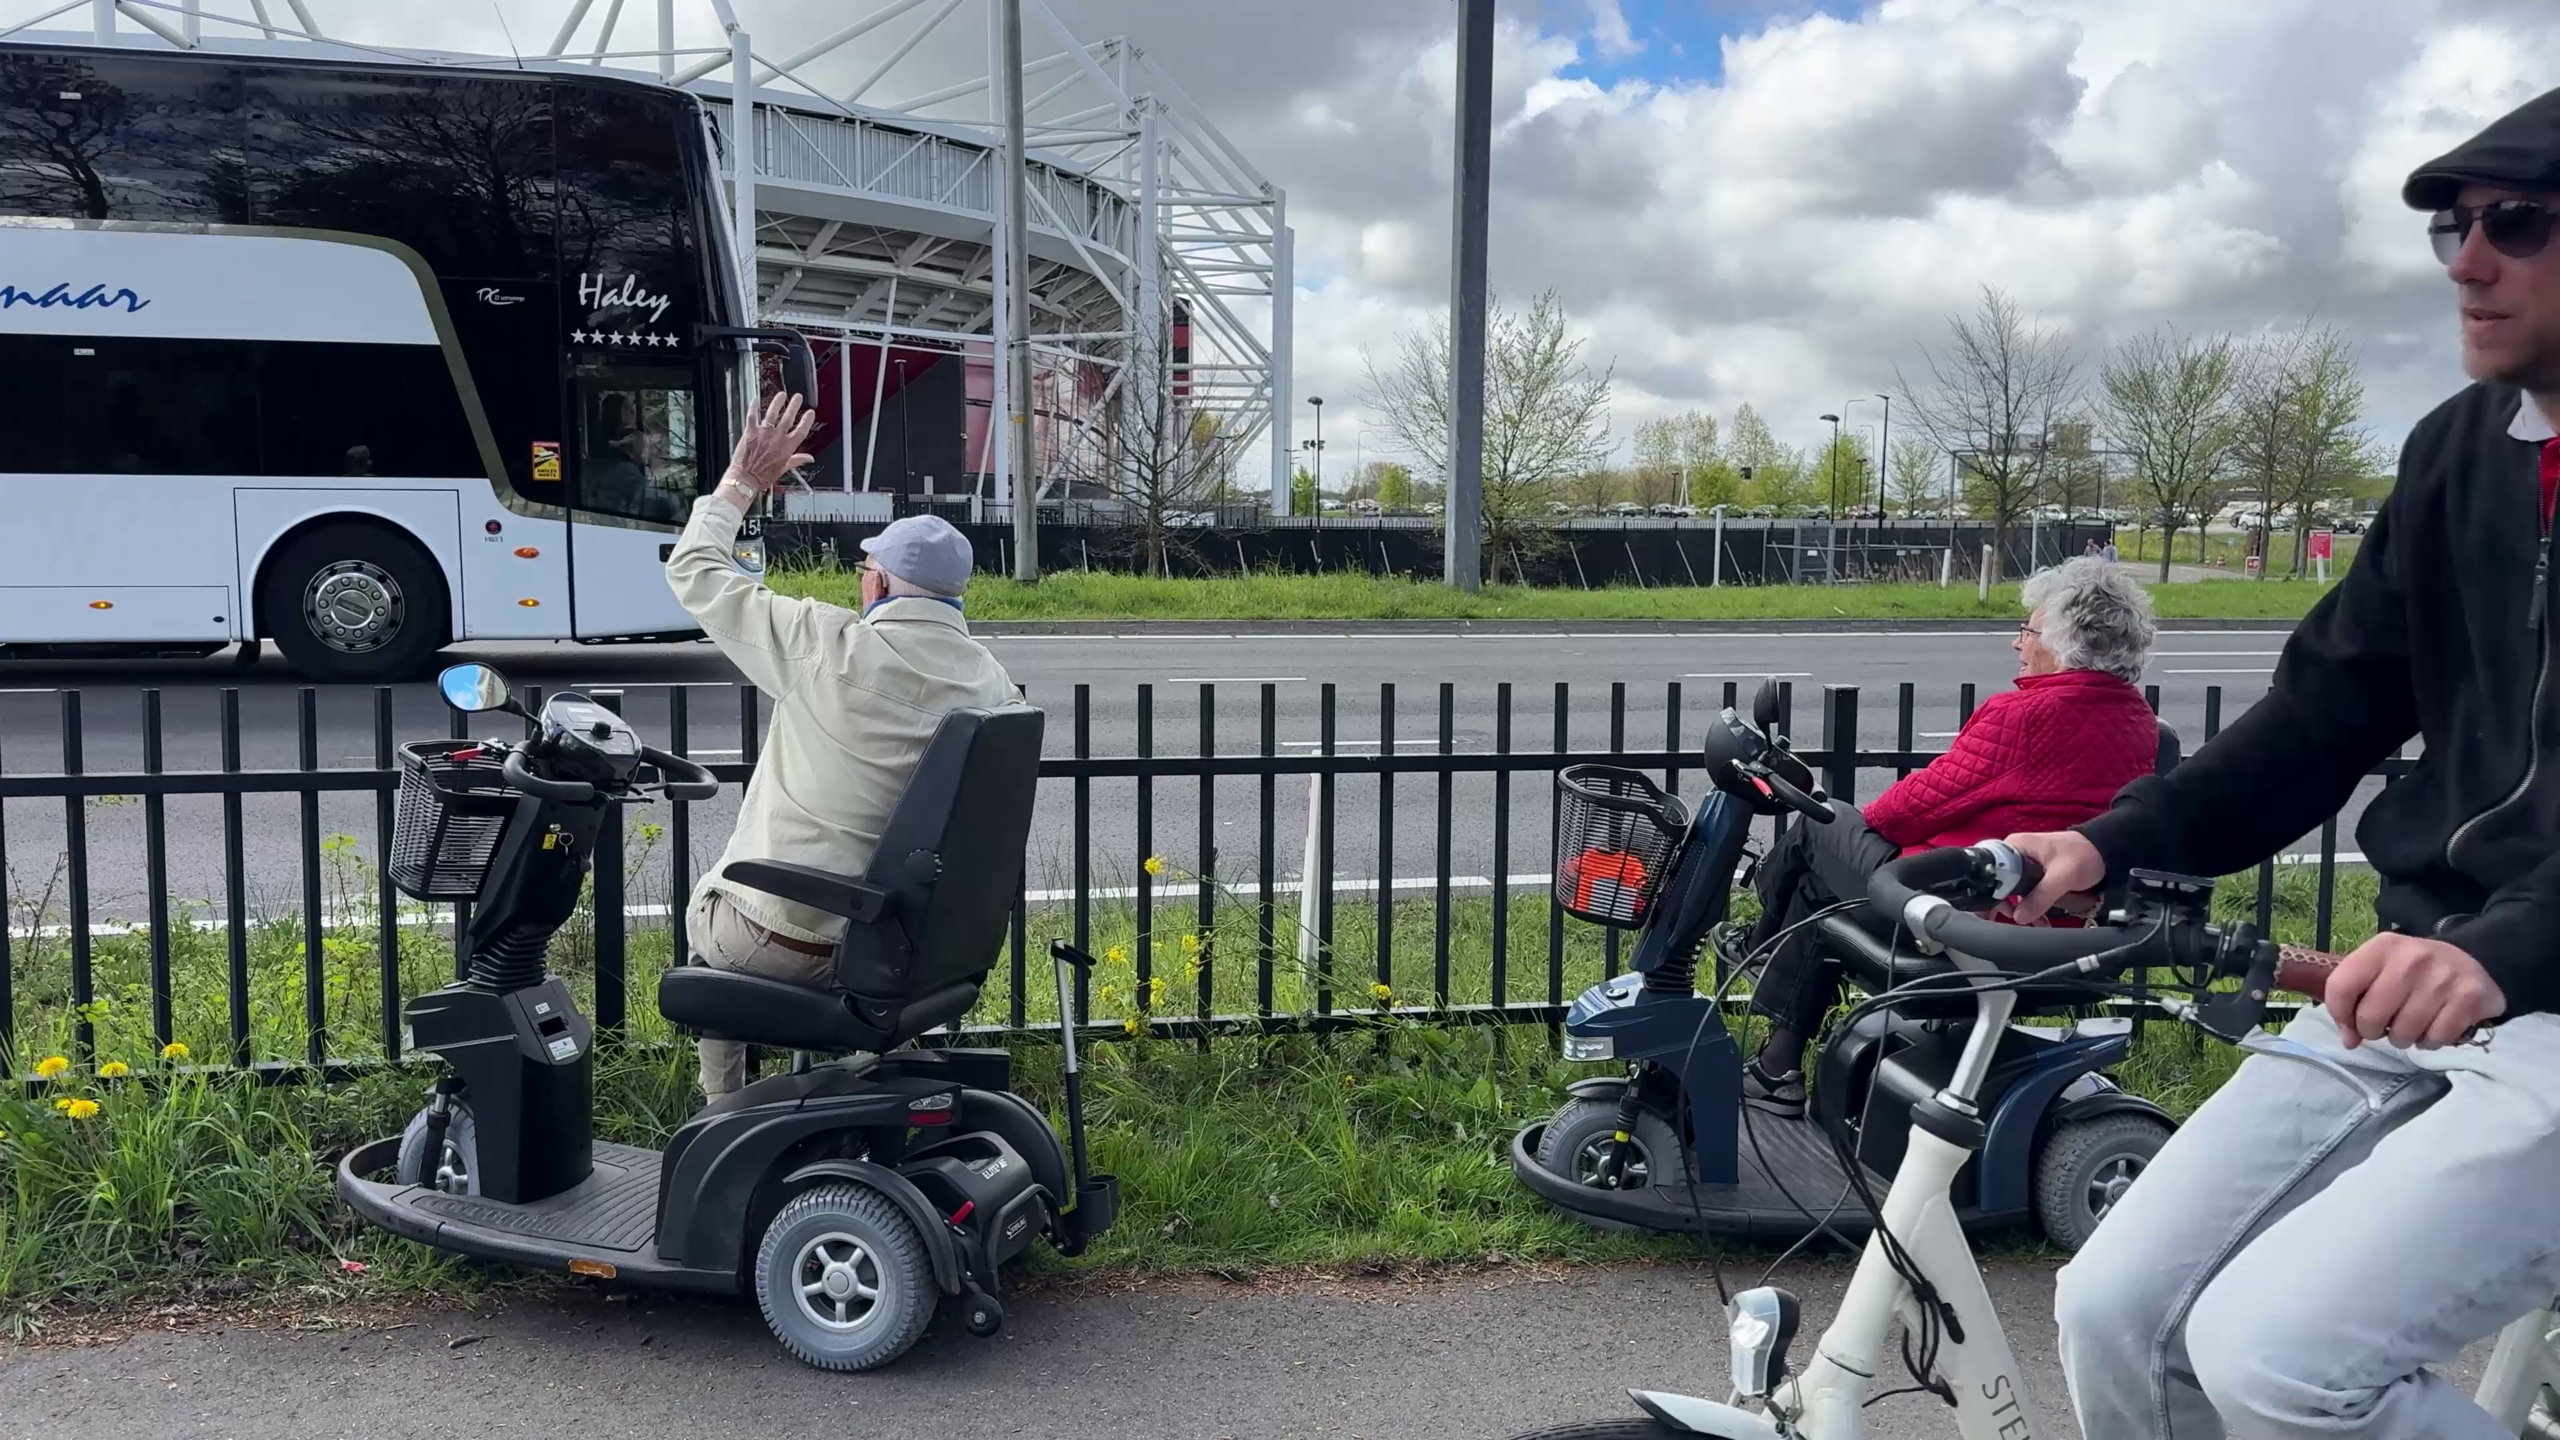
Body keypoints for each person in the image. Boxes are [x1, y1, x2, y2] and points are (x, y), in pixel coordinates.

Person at [2028, 88, 2560, 1440]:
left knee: (2279, 1363)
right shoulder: (2457, 454)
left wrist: (2513, 945)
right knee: (2114, 1311)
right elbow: (2323, 716)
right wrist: (2109, 840)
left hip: (2535, 989)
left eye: (2519, 224)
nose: (2469, 261)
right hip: (2425, 984)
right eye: (2454, 227)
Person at [665, 392, 1019, 1098]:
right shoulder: (995, 685)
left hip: (781, 942)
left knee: (710, 918)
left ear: (880, 581)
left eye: (865, 572)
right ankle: (878, 1090)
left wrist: (741, 482)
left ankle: (721, 1116)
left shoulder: (825, 645)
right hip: (905, 953)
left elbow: (695, 573)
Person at [1738, 556, 2160, 1114]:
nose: (2017, 644)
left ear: (2065, 644)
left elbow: (1895, 816)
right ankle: (1775, 1064)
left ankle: (1754, 947)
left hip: (1967, 918)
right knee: (1822, 892)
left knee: (1827, 823)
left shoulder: (2026, 715)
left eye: (2028, 631)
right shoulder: (2139, 721)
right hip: (2063, 929)